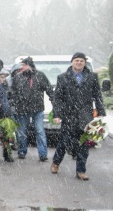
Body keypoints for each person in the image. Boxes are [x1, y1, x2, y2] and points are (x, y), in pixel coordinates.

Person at [51, 52, 106, 180]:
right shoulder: (63, 78)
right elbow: (58, 98)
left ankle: (81, 171)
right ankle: (56, 162)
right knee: (64, 142)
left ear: (84, 63)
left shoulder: (92, 77)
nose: (79, 63)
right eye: (77, 60)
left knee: (84, 143)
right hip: (69, 114)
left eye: (81, 61)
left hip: (85, 116)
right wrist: (57, 114)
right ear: (72, 62)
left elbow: (97, 95)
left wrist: (101, 113)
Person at [11, 56, 53, 161]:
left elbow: (49, 90)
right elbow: (12, 92)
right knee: (22, 132)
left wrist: (55, 101)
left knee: (39, 131)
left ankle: (43, 154)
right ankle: (21, 151)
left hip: (37, 109)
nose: (22, 67)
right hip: (22, 109)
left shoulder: (40, 76)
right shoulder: (18, 77)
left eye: (24, 65)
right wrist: (13, 103)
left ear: (29, 66)